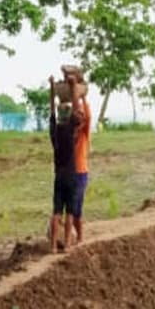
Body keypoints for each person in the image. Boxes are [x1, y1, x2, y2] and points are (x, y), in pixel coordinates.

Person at [47, 75, 79, 253]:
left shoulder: (54, 131)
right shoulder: (70, 129)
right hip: (71, 176)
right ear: (68, 116)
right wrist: (73, 86)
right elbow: (76, 107)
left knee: (56, 212)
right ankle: (66, 245)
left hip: (58, 176)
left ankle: (52, 246)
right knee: (70, 213)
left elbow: (52, 108)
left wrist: (52, 87)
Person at [68, 74, 91, 244]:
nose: (81, 118)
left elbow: (86, 116)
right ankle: (74, 237)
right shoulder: (70, 132)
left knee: (76, 209)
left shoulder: (84, 133)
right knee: (71, 209)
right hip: (70, 173)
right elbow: (75, 114)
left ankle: (80, 237)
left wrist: (82, 97)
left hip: (81, 173)